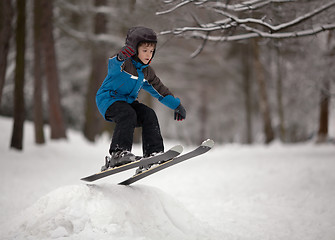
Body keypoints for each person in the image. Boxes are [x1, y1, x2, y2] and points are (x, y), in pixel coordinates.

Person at [96, 26, 186, 171]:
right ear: (134, 49)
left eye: (151, 51)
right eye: (145, 50)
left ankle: (153, 153)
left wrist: (176, 105)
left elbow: (159, 90)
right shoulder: (123, 62)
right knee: (127, 114)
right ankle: (118, 153)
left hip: (128, 103)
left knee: (148, 114)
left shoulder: (146, 72)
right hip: (108, 100)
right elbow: (113, 66)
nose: (148, 55)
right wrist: (120, 57)